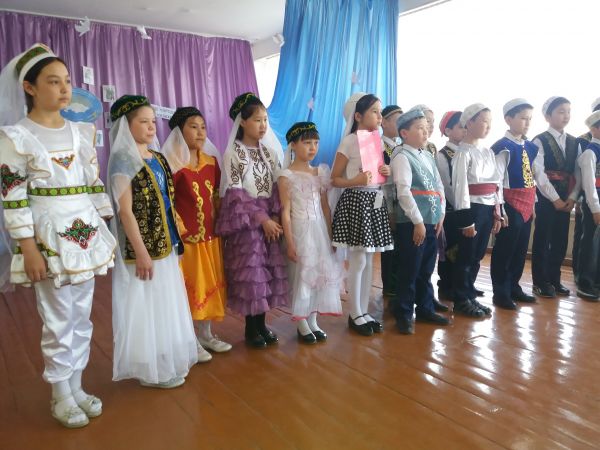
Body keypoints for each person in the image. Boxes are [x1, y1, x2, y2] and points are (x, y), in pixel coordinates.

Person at [0, 44, 116, 428]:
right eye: (53, 82)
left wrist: (104, 225)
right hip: (47, 236)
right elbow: (13, 196)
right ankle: (59, 394)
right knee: (57, 316)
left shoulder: (82, 132)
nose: (65, 89)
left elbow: (93, 182)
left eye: (66, 81)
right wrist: (27, 247)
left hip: (85, 233)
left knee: (81, 314)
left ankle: (76, 386)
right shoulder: (15, 137)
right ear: (30, 87)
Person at [108, 95, 197, 389]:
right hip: (142, 247)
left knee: (165, 301)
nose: (150, 127)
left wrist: (175, 239)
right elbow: (124, 211)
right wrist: (142, 252)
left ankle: (164, 358)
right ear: (126, 126)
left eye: (152, 122)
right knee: (145, 303)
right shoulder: (123, 160)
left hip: (165, 242)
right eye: (143, 122)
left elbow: (167, 202)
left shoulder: (157, 157)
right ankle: (150, 369)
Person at [215, 93, 288, 348]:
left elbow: (277, 187)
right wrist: (262, 219)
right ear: (243, 122)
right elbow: (235, 193)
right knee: (252, 272)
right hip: (246, 221)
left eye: (265, 119)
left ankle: (262, 324)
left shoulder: (269, 152)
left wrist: (275, 216)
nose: (263, 125)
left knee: (267, 272)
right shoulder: (233, 153)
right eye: (257, 120)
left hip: (269, 219)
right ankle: (251, 328)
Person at [162, 107, 231, 361]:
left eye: (203, 127)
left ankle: (206, 334)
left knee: (210, 287)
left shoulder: (212, 163)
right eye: (193, 127)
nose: (200, 132)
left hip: (210, 239)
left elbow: (217, 197)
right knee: (192, 290)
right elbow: (168, 202)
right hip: (188, 241)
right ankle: (190, 340)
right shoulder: (172, 166)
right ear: (179, 132)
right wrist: (179, 231)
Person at [331, 92, 394, 336]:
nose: (379, 117)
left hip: (374, 201)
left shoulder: (377, 141)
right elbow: (334, 179)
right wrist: (355, 180)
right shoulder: (349, 142)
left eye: (380, 112)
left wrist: (385, 171)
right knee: (358, 260)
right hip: (357, 201)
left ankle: (363, 311)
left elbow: (376, 174)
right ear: (358, 116)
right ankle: (354, 313)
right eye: (374, 112)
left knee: (369, 260)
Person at [278, 122, 343, 344]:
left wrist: (331, 235)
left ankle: (313, 319)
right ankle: (301, 322)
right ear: (293, 145)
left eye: (316, 143)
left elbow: (325, 207)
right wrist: (290, 242)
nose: (312, 147)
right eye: (307, 143)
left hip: (319, 230)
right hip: (300, 230)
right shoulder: (286, 175)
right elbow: (285, 212)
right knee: (303, 275)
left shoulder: (320, 172)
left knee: (319, 275)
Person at [389, 109, 449, 334]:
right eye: (420, 128)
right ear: (404, 133)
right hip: (413, 223)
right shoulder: (402, 156)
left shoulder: (427, 156)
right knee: (410, 268)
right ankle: (404, 313)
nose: (426, 132)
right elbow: (404, 191)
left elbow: (438, 186)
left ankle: (425, 308)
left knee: (426, 268)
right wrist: (417, 221)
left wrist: (441, 213)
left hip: (431, 221)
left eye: (427, 128)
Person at [452, 103, 501, 318]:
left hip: (487, 207)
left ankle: (470, 294)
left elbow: (496, 183)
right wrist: (466, 220)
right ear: (469, 122)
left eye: (490, 122)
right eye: (484, 121)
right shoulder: (462, 153)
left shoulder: (488, 152)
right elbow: (460, 188)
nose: (488, 126)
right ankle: (461, 298)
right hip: (472, 208)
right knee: (466, 254)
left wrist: (497, 211)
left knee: (478, 255)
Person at [490, 99, 538, 309]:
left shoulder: (530, 146)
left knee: (520, 248)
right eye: (523, 118)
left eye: (530, 119)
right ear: (508, 119)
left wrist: (533, 203)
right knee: (505, 248)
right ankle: (500, 291)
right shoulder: (503, 147)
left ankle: (514, 286)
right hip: (509, 203)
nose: (527, 123)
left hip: (527, 202)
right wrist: (500, 208)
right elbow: (497, 180)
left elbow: (531, 177)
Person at [531, 97, 581, 298]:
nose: (566, 115)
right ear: (547, 116)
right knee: (543, 240)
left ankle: (554, 279)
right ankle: (540, 282)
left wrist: (573, 197)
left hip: (567, 199)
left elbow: (577, 172)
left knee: (560, 241)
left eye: (568, 111)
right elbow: (539, 173)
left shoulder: (574, 142)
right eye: (561, 111)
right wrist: (554, 199)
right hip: (546, 199)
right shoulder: (539, 140)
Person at [436, 111, 464, 300]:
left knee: (465, 249)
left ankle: (463, 283)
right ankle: (446, 284)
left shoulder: (467, 152)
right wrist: (462, 206)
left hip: (467, 208)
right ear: (448, 131)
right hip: (453, 210)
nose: (465, 130)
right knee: (450, 248)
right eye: (461, 127)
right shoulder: (443, 155)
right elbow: (447, 185)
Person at [575, 110, 600, 300]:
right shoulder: (590, 153)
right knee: (590, 242)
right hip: (595, 201)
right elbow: (589, 186)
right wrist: (595, 209)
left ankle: (596, 281)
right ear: (594, 129)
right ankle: (585, 282)